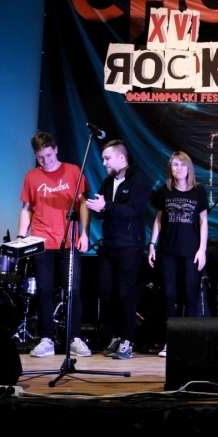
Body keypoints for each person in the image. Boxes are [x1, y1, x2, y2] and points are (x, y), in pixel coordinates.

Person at [20, 132, 91, 357]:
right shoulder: (31, 176)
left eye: (49, 155)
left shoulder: (73, 171)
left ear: (56, 149)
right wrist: (22, 236)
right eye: (40, 157)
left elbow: (82, 204)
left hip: (69, 240)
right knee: (44, 290)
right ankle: (47, 339)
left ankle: (75, 338)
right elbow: (26, 209)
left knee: (73, 290)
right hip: (41, 241)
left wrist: (85, 233)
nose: (46, 161)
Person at [87, 140, 151, 359]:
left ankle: (128, 341)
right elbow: (104, 210)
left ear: (121, 158)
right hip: (109, 245)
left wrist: (107, 206)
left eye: (107, 158)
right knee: (107, 293)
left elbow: (134, 211)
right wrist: (96, 208)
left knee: (126, 294)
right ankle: (114, 336)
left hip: (130, 246)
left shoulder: (139, 180)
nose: (104, 162)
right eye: (103, 159)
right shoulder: (107, 182)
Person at [149, 150, 208, 358]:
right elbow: (158, 219)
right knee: (169, 295)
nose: (179, 168)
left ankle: (191, 341)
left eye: (182, 164)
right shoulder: (164, 190)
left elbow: (203, 221)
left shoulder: (199, 191)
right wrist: (152, 244)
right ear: (170, 168)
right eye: (175, 164)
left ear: (189, 168)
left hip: (191, 251)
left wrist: (202, 249)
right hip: (168, 251)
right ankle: (171, 342)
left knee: (190, 295)